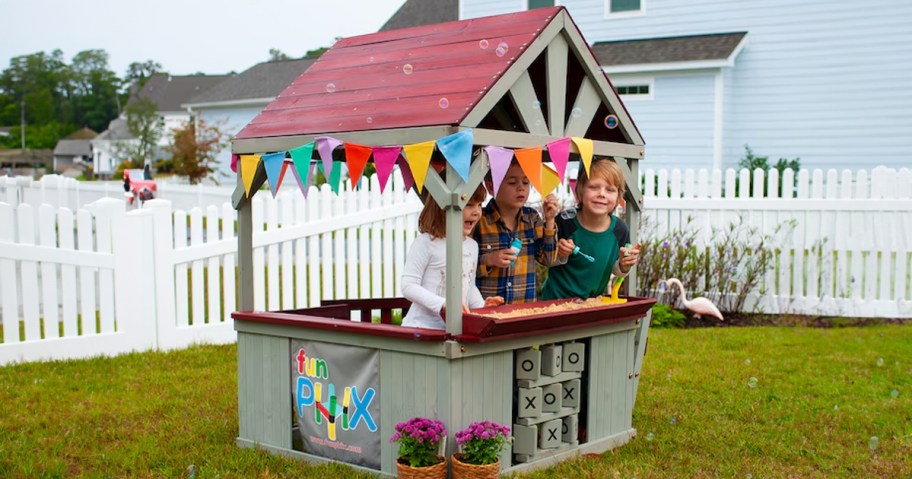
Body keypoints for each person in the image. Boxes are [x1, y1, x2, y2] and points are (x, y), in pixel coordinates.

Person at [401, 183, 504, 330]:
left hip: (455, 330)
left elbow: (469, 284)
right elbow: (408, 286)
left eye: (480, 205)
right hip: (421, 329)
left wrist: (482, 306)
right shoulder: (425, 243)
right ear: (443, 207)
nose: (476, 212)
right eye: (468, 205)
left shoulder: (472, 246)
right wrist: (443, 304)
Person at [540, 159, 640, 300]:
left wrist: (624, 265)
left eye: (610, 190)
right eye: (594, 187)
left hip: (591, 304)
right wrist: (561, 254)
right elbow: (546, 259)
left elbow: (615, 269)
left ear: (618, 197)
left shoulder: (620, 230)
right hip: (555, 302)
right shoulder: (565, 221)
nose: (601, 194)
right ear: (580, 190)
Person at [473, 161, 559, 304]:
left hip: (524, 309)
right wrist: (489, 260)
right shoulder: (478, 221)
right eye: (512, 183)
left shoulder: (532, 218)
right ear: (490, 186)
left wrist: (549, 221)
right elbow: (462, 269)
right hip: (487, 309)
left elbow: (548, 259)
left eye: (526, 182)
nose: (521, 188)